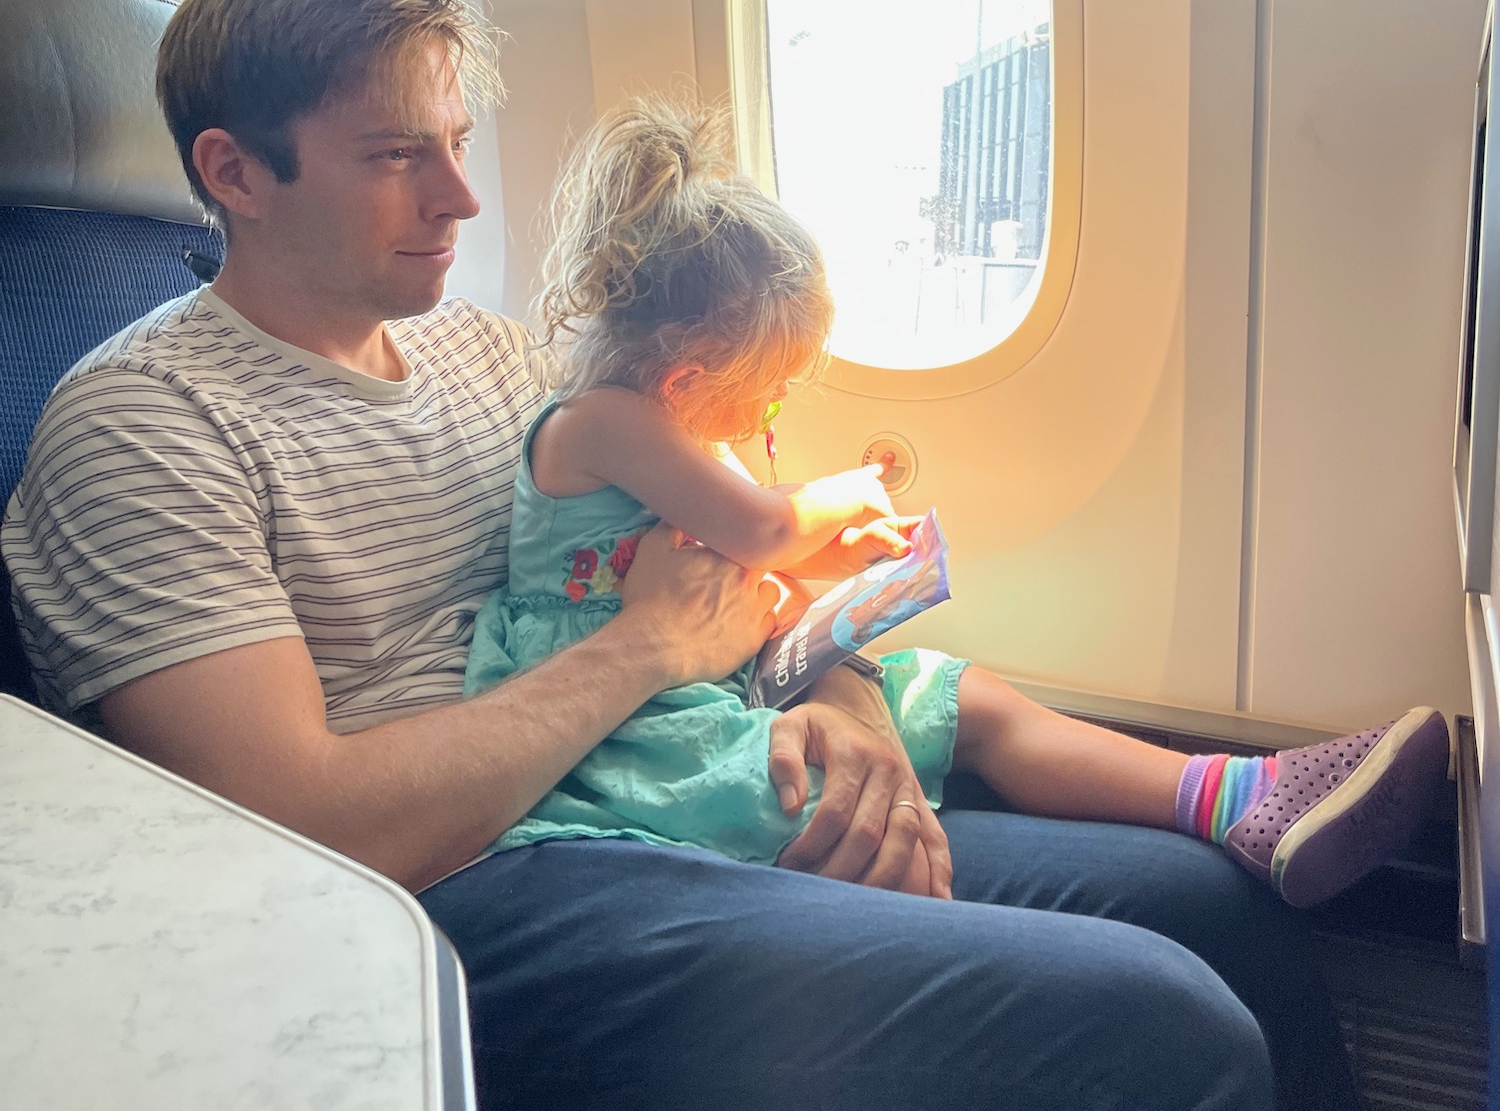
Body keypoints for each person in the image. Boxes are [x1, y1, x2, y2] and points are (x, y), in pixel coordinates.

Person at [1, 0, 1423, 1111]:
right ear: (233, 171)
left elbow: (754, 584)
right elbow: (308, 827)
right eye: (394, 158)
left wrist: (843, 703)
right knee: (1156, 1050)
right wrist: (642, 653)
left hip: (651, 790)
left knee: (1215, 907)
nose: (459, 200)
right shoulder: (143, 429)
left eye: (454, 145)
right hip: (450, 917)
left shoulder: (493, 363)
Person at [467, 97, 1448, 907]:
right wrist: (848, 494)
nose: (772, 407)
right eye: (767, 384)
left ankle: (1239, 792)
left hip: (710, 664)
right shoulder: (601, 420)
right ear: (687, 375)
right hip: (628, 716)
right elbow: (761, 526)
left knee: (960, 690)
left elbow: (750, 547)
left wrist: (849, 560)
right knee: (773, 777)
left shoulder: (675, 426)